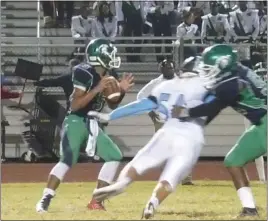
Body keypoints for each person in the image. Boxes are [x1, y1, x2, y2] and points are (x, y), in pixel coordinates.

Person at [87, 60, 214, 219]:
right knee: (171, 175)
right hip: (191, 134)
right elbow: (212, 105)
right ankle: (153, 201)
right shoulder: (204, 86)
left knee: (139, 162)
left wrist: (108, 115)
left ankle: (122, 183)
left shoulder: (164, 86)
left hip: (168, 129)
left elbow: (139, 105)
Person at [35, 38, 134, 213]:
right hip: (75, 120)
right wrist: (97, 88)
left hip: (92, 123)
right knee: (68, 159)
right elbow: (74, 104)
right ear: (99, 55)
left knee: (114, 155)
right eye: (109, 53)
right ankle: (46, 198)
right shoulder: (83, 72)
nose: (113, 57)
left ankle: (96, 201)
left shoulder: (110, 75)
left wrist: (122, 90)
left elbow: (113, 104)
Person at [171, 44, 266, 217]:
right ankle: (250, 209)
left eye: (209, 67)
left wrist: (185, 112)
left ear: (222, 64)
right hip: (261, 124)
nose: (205, 71)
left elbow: (212, 107)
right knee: (233, 160)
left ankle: (250, 209)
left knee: (233, 160)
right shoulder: (235, 73)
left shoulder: (230, 83)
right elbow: (215, 108)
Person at [137, 58, 200, 185]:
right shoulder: (156, 83)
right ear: (161, 70)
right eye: (166, 68)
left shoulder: (180, 80)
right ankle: (166, 177)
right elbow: (140, 96)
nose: (169, 70)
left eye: (170, 68)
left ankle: (186, 179)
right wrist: (150, 112)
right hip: (161, 120)